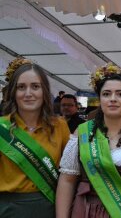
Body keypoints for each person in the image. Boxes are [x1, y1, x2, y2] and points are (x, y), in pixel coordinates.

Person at [56, 63, 121, 218]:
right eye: (106, 94)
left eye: (120, 94)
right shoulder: (82, 132)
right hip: (85, 212)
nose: (113, 99)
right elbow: (67, 181)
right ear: (99, 99)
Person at [0, 58, 70, 218]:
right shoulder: (1, 128)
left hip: (49, 207)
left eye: (35, 87)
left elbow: (70, 174)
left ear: (44, 91)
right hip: (8, 209)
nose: (28, 93)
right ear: (13, 92)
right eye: (21, 87)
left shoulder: (60, 126)